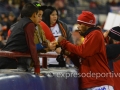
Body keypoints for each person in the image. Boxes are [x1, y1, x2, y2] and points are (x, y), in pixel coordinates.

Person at [57, 11, 114, 90]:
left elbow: (83, 52)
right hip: (92, 83)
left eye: (80, 24)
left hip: (100, 83)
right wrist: (70, 54)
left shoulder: (95, 34)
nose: (78, 27)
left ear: (87, 25)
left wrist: (64, 43)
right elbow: (81, 62)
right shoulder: (88, 37)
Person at [0, 2, 56, 75]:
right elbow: (31, 46)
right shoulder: (29, 24)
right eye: (38, 15)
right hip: (10, 61)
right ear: (34, 15)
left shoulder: (22, 23)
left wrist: (43, 46)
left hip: (7, 59)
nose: (41, 18)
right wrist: (37, 68)